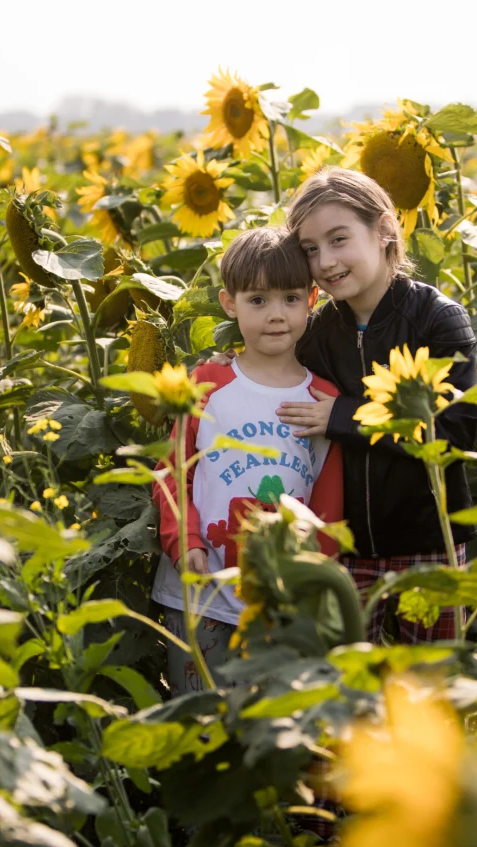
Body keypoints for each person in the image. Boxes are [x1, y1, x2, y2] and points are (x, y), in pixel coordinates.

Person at [257, 166, 477, 643]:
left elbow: (456, 430)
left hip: (430, 546)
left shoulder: (437, 319)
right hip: (347, 550)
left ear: (383, 230)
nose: (325, 262)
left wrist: (343, 417)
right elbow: (277, 373)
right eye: (311, 250)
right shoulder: (319, 332)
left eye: (339, 239)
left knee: (432, 690)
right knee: (349, 691)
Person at [151, 227, 344, 695]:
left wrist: (315, 576)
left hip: (284, 602)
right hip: (201, 591)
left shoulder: (323, 399)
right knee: (201, 721)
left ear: (312, 300)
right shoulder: (207, 384)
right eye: (258, 300)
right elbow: (173, 471)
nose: (276, 315)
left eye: (291, 298)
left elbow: (329, 500)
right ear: (229, 302)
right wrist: (185, 539)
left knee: (273, 728)